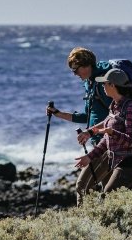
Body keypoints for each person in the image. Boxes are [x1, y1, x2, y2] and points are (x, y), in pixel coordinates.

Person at [46, 47, 112, 205]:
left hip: (109, 144)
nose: (74, 74)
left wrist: (90, 132)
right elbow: (87, 116)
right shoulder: (90, 84)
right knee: (113, 191)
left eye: (75, 70)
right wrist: (58, 113)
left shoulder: (103, 84)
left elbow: (115, 116)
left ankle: (86, 226)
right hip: (99, 144)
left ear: (86, 65)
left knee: (82, 187)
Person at [74, 68, 132, 194]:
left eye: (105, 83)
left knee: (108, 196)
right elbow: (106, 140)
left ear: (113, 85)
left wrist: (112, 132)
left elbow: (131, 141)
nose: (103, 86)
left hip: (129, 164)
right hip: (115, 161)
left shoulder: (131, 107)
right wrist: (90, 157)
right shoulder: (113, 106)